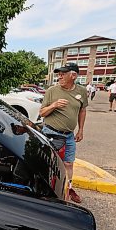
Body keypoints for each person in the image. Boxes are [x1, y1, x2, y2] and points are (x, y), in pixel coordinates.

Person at [40, 62, 87, 203]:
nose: (59, 76)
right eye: (58, 74)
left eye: (62, 74)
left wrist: (81, 130)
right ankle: (47, 190)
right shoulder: (52, 91)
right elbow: (42, 113)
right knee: (49, 163)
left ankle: (69, 189)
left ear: (73, 75)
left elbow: (82, 110)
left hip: (69, 135)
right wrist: (54, 105)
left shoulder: (81, 91)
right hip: (51, 133)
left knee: (68, 164)